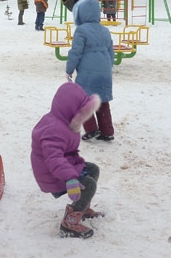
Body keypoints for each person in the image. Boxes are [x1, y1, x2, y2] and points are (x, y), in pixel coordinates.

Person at [30, 81, 105, 239]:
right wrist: (70, 178)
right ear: (71, 109)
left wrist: (77, 162)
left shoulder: (68, 122)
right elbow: (54, 158)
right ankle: (69, 224)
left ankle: (81, 208)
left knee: (93, 169)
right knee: (88, 184)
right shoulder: (54, 128)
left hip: (63, 167)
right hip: (51, 173)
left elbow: (68, 152)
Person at [65, 0, 116, 141]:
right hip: (104, 71)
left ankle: (92, 128)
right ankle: (107, 131)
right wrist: (108, 67)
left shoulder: (81, 30)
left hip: (87, 73)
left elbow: (76, 52)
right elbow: (111, 51)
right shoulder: (104, 30)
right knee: (102, 101)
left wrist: (69, 69)